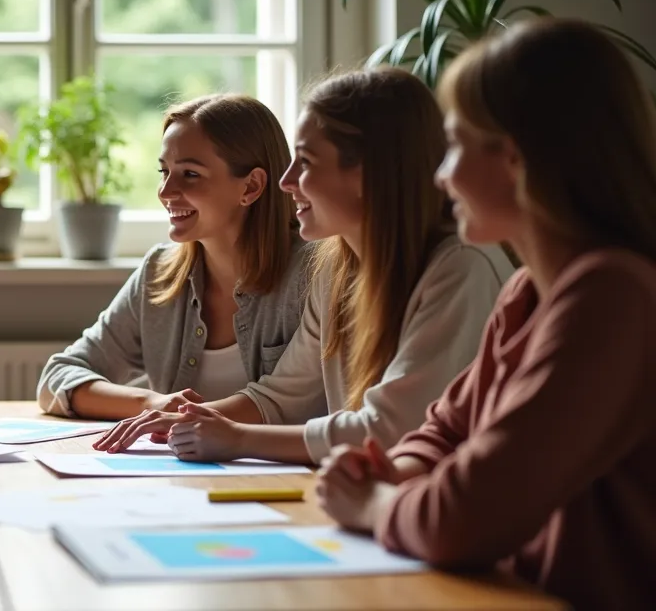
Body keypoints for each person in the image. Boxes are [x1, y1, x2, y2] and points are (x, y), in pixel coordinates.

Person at [317, 18, 656, 607]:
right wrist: (394, 470)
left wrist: (372, 504)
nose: (441, 178)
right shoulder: (526, 291)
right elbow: (445, 430)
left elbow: (464, 517)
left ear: (515, 159)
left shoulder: (613, 296)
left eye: (454, 149)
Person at [95, 68, 514, 463]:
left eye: (307, 162)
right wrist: (185, 421)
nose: (286, 181)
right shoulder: (337, 266)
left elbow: (393, 429)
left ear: (371, 173)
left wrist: (236, 438)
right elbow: (280, 396)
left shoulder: (460, 268)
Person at [37, 94, 309, 420]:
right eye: (164, 171)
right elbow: (58, 376)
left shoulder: (311, 276)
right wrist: (150, 404)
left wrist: (182, 419)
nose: (166, 192)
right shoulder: (159, 271)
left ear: (251, 186)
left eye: (190, 174)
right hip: (178, 470)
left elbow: (291, 404)